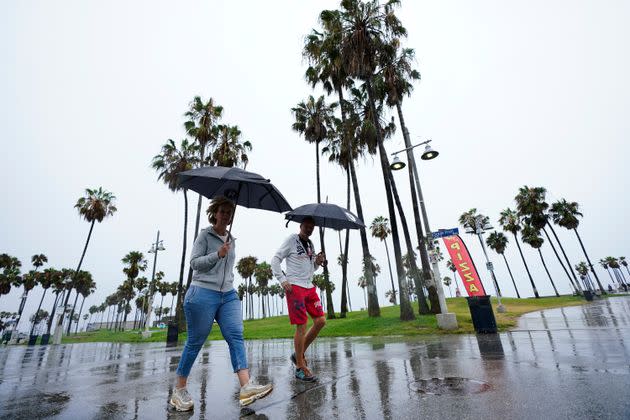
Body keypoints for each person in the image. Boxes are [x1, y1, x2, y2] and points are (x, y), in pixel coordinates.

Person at [169, 196, 273, 411]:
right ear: (215, 213)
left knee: (236, 335)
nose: (226, 215)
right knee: (195, 341)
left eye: (229, 212)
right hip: (202, 292)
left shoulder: (232, 239)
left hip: (228, 294)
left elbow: (227, 268)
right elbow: (194, 263)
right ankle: (179, 390)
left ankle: (246, 387)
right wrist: (217, 254)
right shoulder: (204, 236)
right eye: (223, 211)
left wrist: (225, 254)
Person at [271, 216, 327, 382]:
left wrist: (317, 262)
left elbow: (312, 268)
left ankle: (298, 354)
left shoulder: (311, 244)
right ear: (301, 226)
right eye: (306, 226)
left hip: (309, 287)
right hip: (294, 287)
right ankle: (299, 368)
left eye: (312, 226)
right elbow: (275, 260)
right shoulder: (291, 240)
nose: (309, 228)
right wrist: (283, 280)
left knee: (321, 321)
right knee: (301, 327)